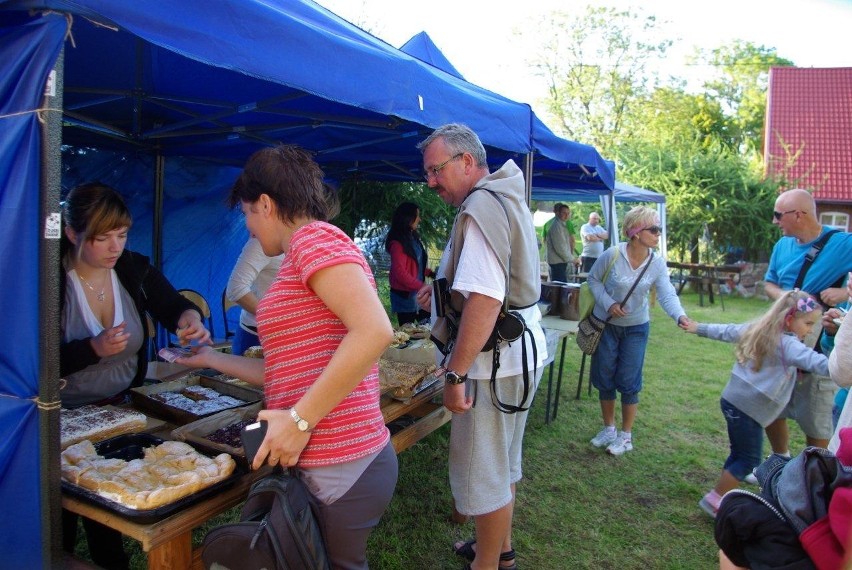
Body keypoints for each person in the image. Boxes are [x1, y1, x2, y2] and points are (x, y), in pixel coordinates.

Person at [176, 145, 397, 569]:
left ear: (266, 203)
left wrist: (299, 421)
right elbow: (286, 374)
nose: (248, 227)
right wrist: (210, 360)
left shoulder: (313, 239)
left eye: (247, 214)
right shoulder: (303, 251)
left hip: (342, 463)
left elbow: (375, 330)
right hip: (333, 461)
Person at [413, 123, 547, 570]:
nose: (430, 182)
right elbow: (485, 283)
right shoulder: (503, 195)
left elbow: (487, 299)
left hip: (493, 363)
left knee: (485, 473)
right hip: (519, 356)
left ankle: (486, 565)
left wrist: (455, 373)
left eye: (436, 170)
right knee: (503, 464)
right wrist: (442, 290)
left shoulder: (481, 206)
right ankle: (499, 550)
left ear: (467, 162)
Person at [60, 182, 211, 569]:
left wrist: (188, 320)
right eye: (101, 237)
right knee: (56, 517)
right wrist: (90, 349)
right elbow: (26, 360)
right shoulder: (48, 282)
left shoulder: (133, 267)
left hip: (120, 413)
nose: (115, 247)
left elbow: (173, 305)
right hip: (56, 419)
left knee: (109, 507)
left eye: (122, 235)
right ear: (72, 233)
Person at [684, 290, 829, 518]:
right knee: (748, 459)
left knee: (739, 454)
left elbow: (727, 331)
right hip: (748, 410)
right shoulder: (790, 345)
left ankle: (720, 494)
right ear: (789, 319)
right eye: (808, 323)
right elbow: (820, 364)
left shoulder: (759, 329)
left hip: (733, 402)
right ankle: (715, 499)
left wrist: (697, 327)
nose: (811, 330)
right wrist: (843, 364)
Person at [587, 206, 690, 456]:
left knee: (629, 380)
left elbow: (666, 293)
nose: (659, 234)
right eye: (654, 229)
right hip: (607, 326)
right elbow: (593, 280)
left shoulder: (656, 263)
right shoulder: (612, 255)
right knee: (605, 376)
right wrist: (609, 304)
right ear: (635, 233)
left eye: (659, 229)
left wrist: (680, 315)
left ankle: (626, 436)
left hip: (636, 328)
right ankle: (609, 429)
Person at [762, 188, 852, 452]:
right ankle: (781, 458)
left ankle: (817, 473)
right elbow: (769, 283)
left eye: (778, 215)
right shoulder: (781, 246)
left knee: (816, 414)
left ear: (798, 215)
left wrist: (845, 292)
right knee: (769, 402)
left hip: (817, 342)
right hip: (780, 338)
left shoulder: (843, 244)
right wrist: (787, 298)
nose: (775, 221)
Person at [225, 237, 284, 356]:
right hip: (256, 337)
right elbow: (236, 289)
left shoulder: (313, 241)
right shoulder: (262, 242)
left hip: (289, 339)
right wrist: (277, 321)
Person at [385, 201, 433, 325]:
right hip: (405, 298)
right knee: (408, 335)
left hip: (417, 295)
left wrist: (431, 273)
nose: (420, 219)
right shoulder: (397, 243)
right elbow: (400, 272)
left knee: (427, 328)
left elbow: (416, 263)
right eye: (417, 216)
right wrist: (421, 286)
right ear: (408, 218)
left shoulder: (412, 237)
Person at [545, 203, 575, 282]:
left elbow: (569, 241)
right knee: (559, 287)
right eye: (564, 213)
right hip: (557, 263)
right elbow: (560, 248)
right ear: (557, 213)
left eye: (568, 213)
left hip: (561, 262)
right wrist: (572, 259)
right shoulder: (556, 226)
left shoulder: (562, 225)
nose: (566, 215)